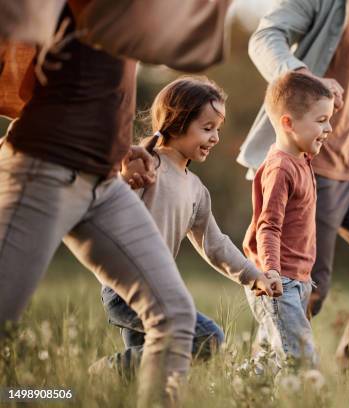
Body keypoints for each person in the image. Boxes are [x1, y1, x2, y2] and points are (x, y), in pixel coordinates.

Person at [0, 3, 230, 405]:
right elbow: (185, 48)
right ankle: (39, 396)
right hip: (43, 168)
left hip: (103, 182)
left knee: (176, 320)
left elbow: (92, 83)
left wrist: (120, 146)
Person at [237, 0, 349, 365]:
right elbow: (264, 37)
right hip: (312, 167)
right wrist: (301, 74)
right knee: (305, 290)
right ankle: (261, 379)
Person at [93, 77, 283, 377]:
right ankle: (103, 372)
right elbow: (107, 206)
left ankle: (111, 381)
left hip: (157, 287)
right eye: (207, 128)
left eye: (217, 129)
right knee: (207, 339)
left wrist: (254, 277)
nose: (216, 138)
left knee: (147, 377)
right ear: (177, 122)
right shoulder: (145, 165)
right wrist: (125, 176)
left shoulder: (196, 190)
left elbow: (215, 244)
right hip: (126, 288)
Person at [243, 72, 334, 369]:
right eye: (321, 121)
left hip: (297, 280)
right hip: (278, 281)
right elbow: (267, 226)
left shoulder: (302, 160)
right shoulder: (280, 168)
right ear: (288, 123)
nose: (329, 128)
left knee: (268, 360)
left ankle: (240, 393)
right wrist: (270, 270)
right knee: (303, 363)